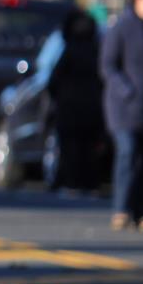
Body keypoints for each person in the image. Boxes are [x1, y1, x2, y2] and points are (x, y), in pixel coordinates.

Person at [100, 0, 143, 232]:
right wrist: (126, 90)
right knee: (127, 152)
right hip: (124, 109)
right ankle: (121, 209)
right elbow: (108, 65)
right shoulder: (122, 27)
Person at [48, 10, 103, 191]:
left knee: (71, 148)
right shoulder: (96, 51)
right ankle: (88, 182)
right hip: (90, 108)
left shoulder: (70, 50)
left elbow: (54, 81)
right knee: (87, 148)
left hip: (70, 109)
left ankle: (72, 181)